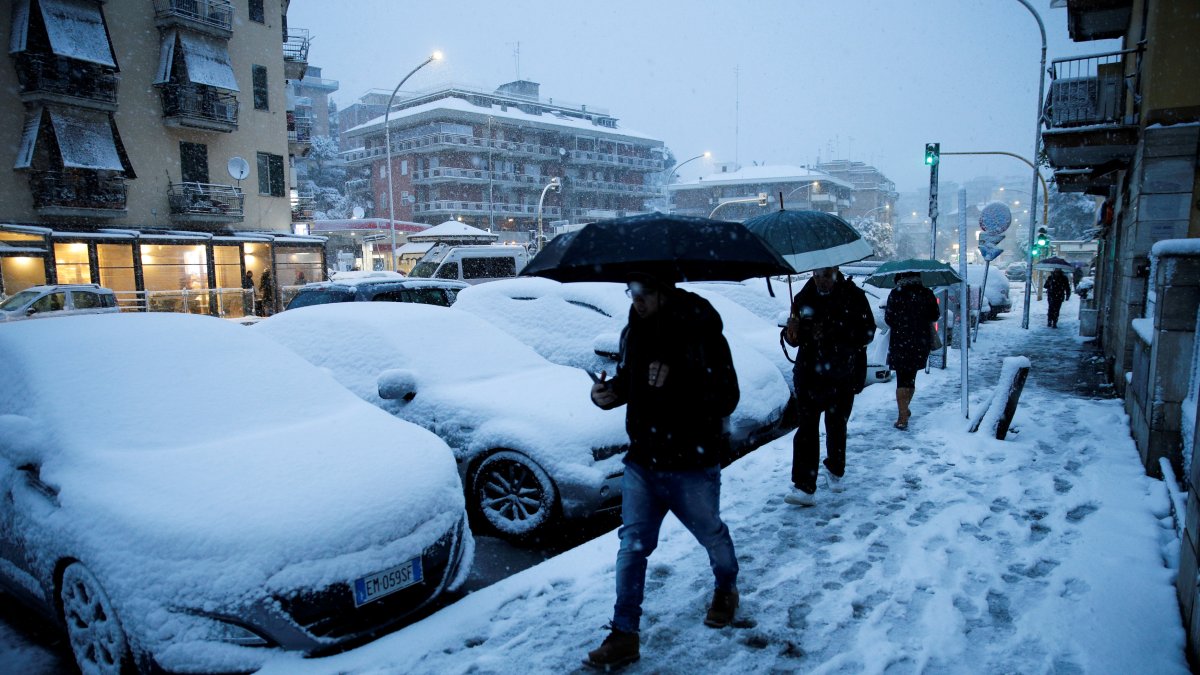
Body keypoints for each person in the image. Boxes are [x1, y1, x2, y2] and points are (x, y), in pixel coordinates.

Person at [584, 273, 741, 671]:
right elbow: (628, 384)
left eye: (643, 292)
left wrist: (680, 381)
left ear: (664, 291)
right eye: (630, 291)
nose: (635, 300)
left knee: (711, 534)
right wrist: (607, 395)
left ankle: (726, 588)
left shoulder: (701, 330)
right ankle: (624, 635)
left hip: (691, 461)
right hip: (642, 460)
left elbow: (728, 395)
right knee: (632, 548)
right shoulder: (633, 332)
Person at [783, 266, 876, 506]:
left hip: (841, 374)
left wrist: (833, 331)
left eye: (825, 276)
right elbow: (795, 334)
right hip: (808, 374)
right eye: (816, 275)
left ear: (836, 272)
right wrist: (791, 333)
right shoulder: (803, 297)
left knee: (836, 425)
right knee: (806, 430)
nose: (820, 281)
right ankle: (804, 486)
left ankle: (834, 469)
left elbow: (867, 332)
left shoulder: (853, 296)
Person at [884, 272, 941, 430]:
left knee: (901, 377)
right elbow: (935, 315)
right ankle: (904, 410)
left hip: (900, 341)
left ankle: (902, 415)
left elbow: (889, 319)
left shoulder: (896, 294)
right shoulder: (926, 293)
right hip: (920, 340)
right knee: (911, 377)